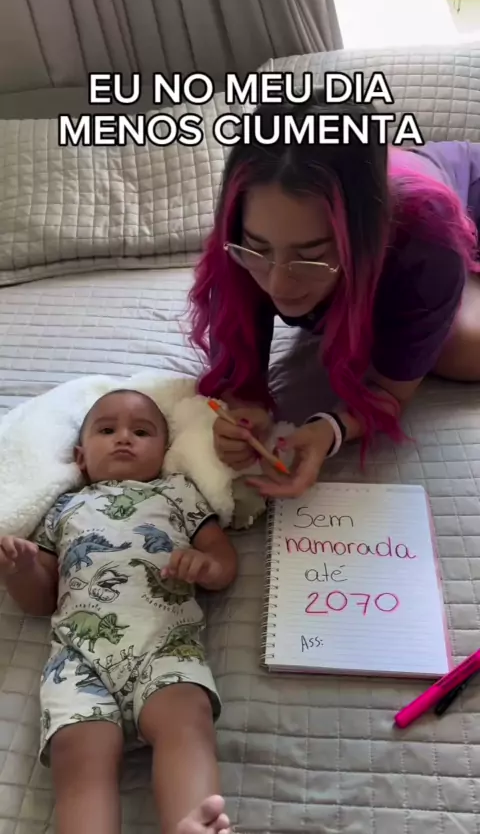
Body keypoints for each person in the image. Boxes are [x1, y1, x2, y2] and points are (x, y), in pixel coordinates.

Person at [189, 88, 480, 499]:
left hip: (460, 198)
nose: (277, 286)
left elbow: (390, 390)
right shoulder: (240, 235)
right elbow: (237, 373)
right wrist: (243, 407)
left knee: (461, 350)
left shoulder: (424, 242)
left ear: (364, 239)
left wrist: (333, 428)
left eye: (310, 256)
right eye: (258, 248)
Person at [0, 390, 236, 834]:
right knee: (78, 756)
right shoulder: (63, 507)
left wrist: (207, 566)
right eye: (107, 430)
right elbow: (40, 600)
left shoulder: (178, 492)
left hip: (165, 645)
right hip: (79, 659)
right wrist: (22, 570)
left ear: (164, 451)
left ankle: (194, 821)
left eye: (141, 432)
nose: (124, 438)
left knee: (187, 722)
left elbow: (223, 559)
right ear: (80, 456)